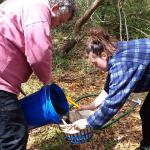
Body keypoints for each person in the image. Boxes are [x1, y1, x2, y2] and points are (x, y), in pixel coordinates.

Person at [0, 0, 76, 149]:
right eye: (60, 21)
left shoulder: (18, 4)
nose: (58, 25)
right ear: (54, 8)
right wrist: (47, 81)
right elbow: (40, 53)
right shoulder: (38, 9)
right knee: (14, 136)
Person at [73, 27, 150, 150]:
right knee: (147, 112)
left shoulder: (122, 63)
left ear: (103, 55)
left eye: (95, 63)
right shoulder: (114, 51)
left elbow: (113, 103)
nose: (96, 67)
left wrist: (88, 123)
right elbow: (108, 90)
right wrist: (90, 107)